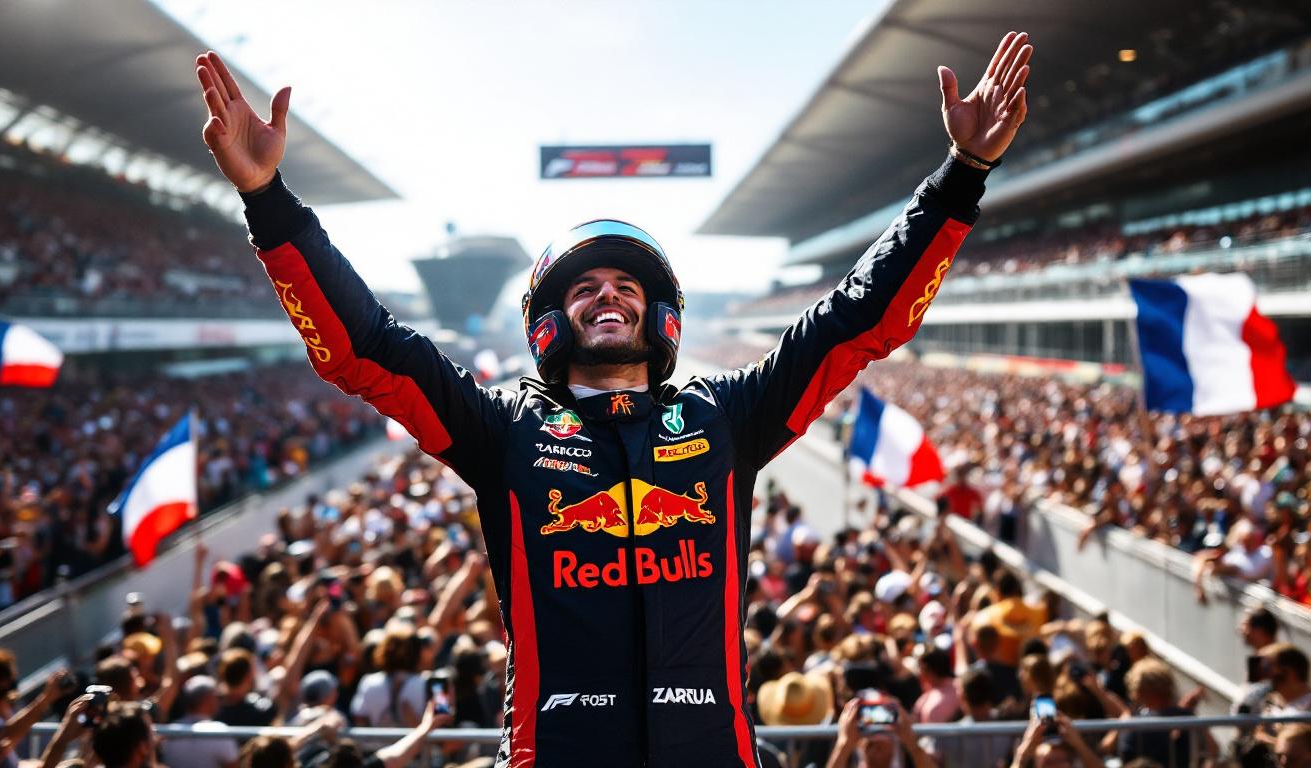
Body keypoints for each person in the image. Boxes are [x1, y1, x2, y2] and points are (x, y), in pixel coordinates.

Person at [194, 27, 1033, 766]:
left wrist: (961, 176)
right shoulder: (502, 429)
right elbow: (366, 349)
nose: (607, 296)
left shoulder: (726, 418)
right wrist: (268, 201)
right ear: (550, 321)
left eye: (626, 286)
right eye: (585, 287)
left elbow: (857, 321)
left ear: (657, 314)